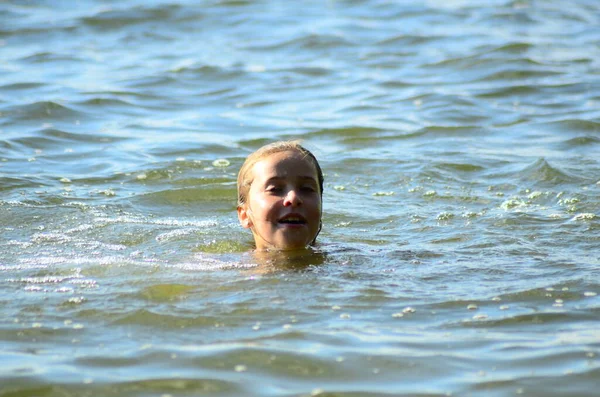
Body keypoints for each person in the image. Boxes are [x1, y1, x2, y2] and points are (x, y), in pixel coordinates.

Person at [237, 141, 323, 253]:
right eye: (275, 189)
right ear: (244, 215)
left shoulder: (349, 263)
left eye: (307, 189)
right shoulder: (218, 266)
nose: (293, 198)